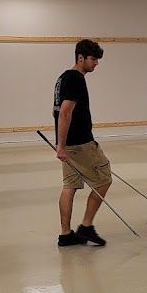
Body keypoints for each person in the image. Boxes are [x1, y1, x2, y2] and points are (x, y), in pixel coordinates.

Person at [53, 39, 112, 247]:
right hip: (81, 144)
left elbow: (57, 111)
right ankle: (86, 227)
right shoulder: (76, 79)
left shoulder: (63, 77)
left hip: (69, 145)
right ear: (81, 58)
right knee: (104, 180)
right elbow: (64, 113)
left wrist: (61, 144)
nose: (96, 63)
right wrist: (60, 146)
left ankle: (66, 235)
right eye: (93, 59)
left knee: (69, 186)